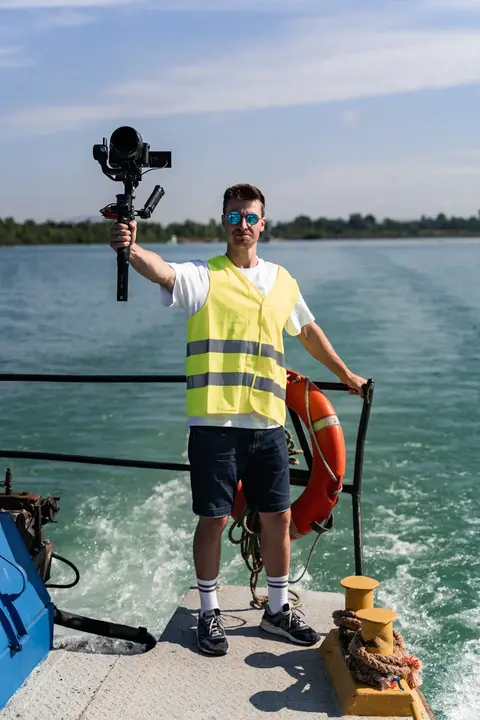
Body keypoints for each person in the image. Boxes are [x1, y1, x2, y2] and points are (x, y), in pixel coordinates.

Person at [109, 183, 367, 657]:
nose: (242, 225)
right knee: (212, 519)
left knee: (279, 517)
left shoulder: (282, 281)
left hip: (268, 425)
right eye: (233, 217)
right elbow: (161, 271)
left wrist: (345, 374)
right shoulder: (204, 276)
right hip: (215, 427)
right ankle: (208, 613)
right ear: (223, 222)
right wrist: (132, 248)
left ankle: (277, 609)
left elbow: (308, 331)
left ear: (262, 224)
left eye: (250, 217)